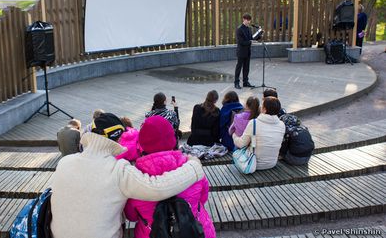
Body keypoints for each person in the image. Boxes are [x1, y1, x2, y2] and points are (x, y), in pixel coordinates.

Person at [49, 112, 205, 238]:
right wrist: (194, 167)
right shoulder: (118, 170)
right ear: (117, 138)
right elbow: (157, 187)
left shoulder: (65, 162)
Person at [124, 116, 215, 238]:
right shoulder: (193, 168)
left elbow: (132, 216)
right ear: (172, 139)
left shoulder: (135, 178)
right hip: (195, 231)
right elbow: (203, 199)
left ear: (142, 144)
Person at [233, 97, 285, 170]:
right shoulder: (282, 125)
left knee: (236, 149)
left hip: (253, 164)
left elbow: (241, 144)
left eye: (262, 106)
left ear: (264, 109)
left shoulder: (254, 123)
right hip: (272, 163)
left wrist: (234, 135)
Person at [235, 13, 255, 89]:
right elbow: (240, 42)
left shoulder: (249, 29)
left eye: (249, 20)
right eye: (247, 20)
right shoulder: (239, 29)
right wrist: (250, 42)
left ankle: (245, 82)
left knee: (246, 67)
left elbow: (251, 38)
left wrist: (259, 35)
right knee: (239, 67)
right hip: (241, 52)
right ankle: (236, 82)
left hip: (248, 51)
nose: (248, 21)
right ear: (243, 19)